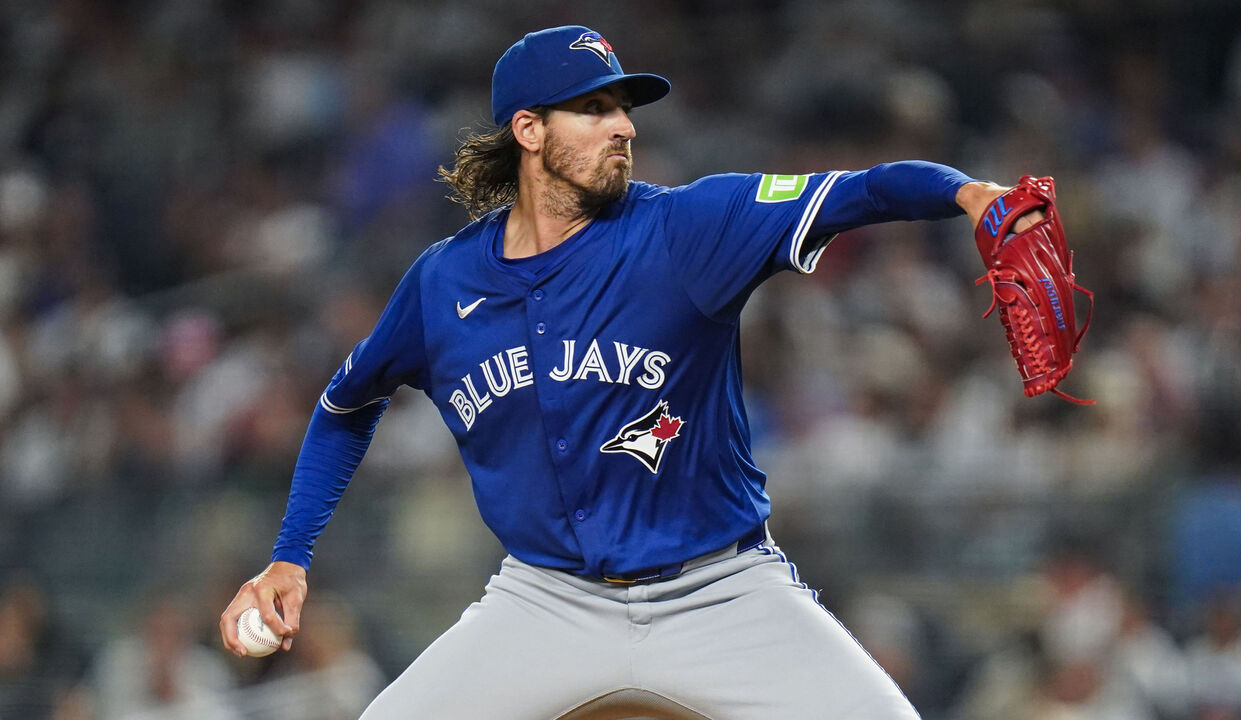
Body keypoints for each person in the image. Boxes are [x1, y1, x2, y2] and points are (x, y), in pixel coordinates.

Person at [219, 24, 1046, 719]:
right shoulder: (444, 281)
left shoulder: (688, 227)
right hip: (546, 602)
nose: (623, 127)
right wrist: (290, 556)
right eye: (594, 108)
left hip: (721, 592)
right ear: (528, 130)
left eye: (624, 107)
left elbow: (859, 192)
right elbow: (344, 405)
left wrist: (972, 195)